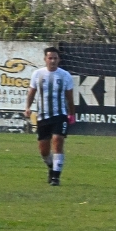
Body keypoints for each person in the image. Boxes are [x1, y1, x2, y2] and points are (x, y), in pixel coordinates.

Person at [24, 46, 75, 186]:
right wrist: (27, 107)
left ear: (59, 60)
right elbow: (32, 92)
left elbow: (69, 97)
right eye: (50, 58)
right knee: (44, 150)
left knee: (57, 141)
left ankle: (55, 178)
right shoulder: (37, 74)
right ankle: (52, 167)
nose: (52, 61)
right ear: (45, 59)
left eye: (55, 58)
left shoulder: (65, 75)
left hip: (60, 114)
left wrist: (72, 113)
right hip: (43, 116)